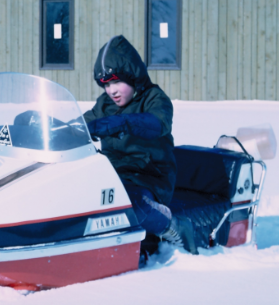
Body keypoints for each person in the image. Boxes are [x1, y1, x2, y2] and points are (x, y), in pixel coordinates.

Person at [83, 35, 197, 254]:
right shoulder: (105, 104)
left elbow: (158, 123)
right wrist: (52, 126)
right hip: (113, 175)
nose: (111, 91)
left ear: (133, 76)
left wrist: (123, 123)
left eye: (117, 82)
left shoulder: (154, 98)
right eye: (106, 84)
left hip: (150, 178)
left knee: (129, 201)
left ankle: (173, 227)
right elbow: (84, 123)